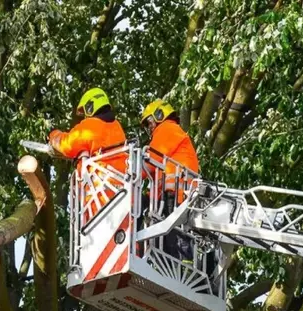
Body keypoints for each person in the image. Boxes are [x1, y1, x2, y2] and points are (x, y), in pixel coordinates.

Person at [49, 88, 128, 224]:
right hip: (122, 194)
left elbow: (67, 144)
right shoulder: (117, 127)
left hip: (99, 196)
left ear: (90, 107)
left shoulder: (90, 126)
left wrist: (53, 136)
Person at [140, 99, 199, 264]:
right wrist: (147, 196)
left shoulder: (167, 129)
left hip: (177, 194)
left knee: (175, 235)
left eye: (149, 122)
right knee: (173, 235)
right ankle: (176, 265)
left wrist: (127, 171)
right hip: (177, 194)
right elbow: (159, 174)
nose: (149, 127)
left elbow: (150, 161)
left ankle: (179, 266)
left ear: (159, 115)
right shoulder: (174, 132)